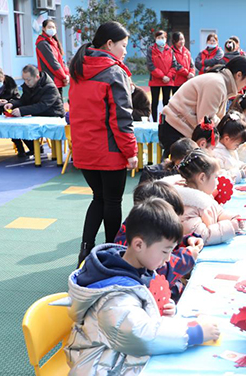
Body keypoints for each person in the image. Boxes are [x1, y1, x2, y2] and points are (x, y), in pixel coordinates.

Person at [66, 198, 220, 376]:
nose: (167, 259)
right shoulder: (114, 297)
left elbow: (137, 318)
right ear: (138, 244)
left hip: (118, 360)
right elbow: (140, 334)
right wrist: (194, 332)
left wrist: (159, 309)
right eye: (165, 251)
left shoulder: (137, 268)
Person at [69, 21, 138, 266]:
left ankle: (85, 251)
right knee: (111, 201)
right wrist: (131, 151)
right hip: (108, 150)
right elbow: (121, 118)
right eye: (123, 46)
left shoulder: (78, 68)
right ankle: (111, 252)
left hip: (83, 148)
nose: (125, 51)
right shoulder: (113, 71)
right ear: (110, 44)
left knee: (98, 198)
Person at [113, 180, 204, 301]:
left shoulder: (141, 231)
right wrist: (187, 257)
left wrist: (189, 239)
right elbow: (159, 272)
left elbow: (164, 241)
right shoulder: (131, 279)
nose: (167, 258)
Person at [159, 56, 246, 157]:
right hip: (175, 127)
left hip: (179, 125)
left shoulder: (221, 82)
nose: (245, 85)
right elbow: (205, 120)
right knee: (179, 169)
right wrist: (231, 132)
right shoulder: (217, 84)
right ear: (238, 75)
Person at [164, 149, 242, 245]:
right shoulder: (185, 206)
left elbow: (218, 212)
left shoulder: (204, 195)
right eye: (215, 177)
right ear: (202, 178)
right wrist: (231, 227)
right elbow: (201, 235)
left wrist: (233, 218)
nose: (217, 181)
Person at [213, 110, 246, 183]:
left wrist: (244, 166)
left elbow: (235, 163)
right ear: (226, 139)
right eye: (237, 144)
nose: (237, 147)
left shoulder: (229, 148)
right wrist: (241, 173)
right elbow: (220, 176)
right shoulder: (216, 153)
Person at [147, 30, 179, 123]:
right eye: (158, 38)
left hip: (168, 81)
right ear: (155, 39)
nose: (160, 39)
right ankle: (154, 121)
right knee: (155, 102)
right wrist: (161, 76)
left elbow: (174, 65)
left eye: (162, 38)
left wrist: (168, 76)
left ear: (166, 39)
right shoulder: (151, 49)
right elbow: (150, 65)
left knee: (166, 102)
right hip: (155, 80)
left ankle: (165, 121)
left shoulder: (170, 50)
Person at [35, 19, 69, 98]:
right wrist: (64, 76)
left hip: (58, 80)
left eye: (53, 27)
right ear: (43, 28)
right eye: (49, 27)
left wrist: (66, 75)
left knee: (59, 106)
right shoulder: (43, 44)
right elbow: (52, 63)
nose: (52, 29)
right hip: (50, 81)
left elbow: (61, 61)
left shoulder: (53, 42)